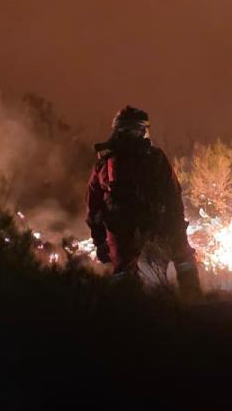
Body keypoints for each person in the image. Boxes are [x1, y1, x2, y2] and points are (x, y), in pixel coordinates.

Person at [86, 106, 201, 297]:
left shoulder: (106, 163)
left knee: (123, 271)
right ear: (142, 131)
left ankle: (129, 307)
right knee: (183, 256)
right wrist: (177, 227)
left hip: (125, 226)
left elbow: (93, 207)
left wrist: (99, 241)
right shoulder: (154, 158)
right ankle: (192, 299)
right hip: (146, 223)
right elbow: (173, 195)